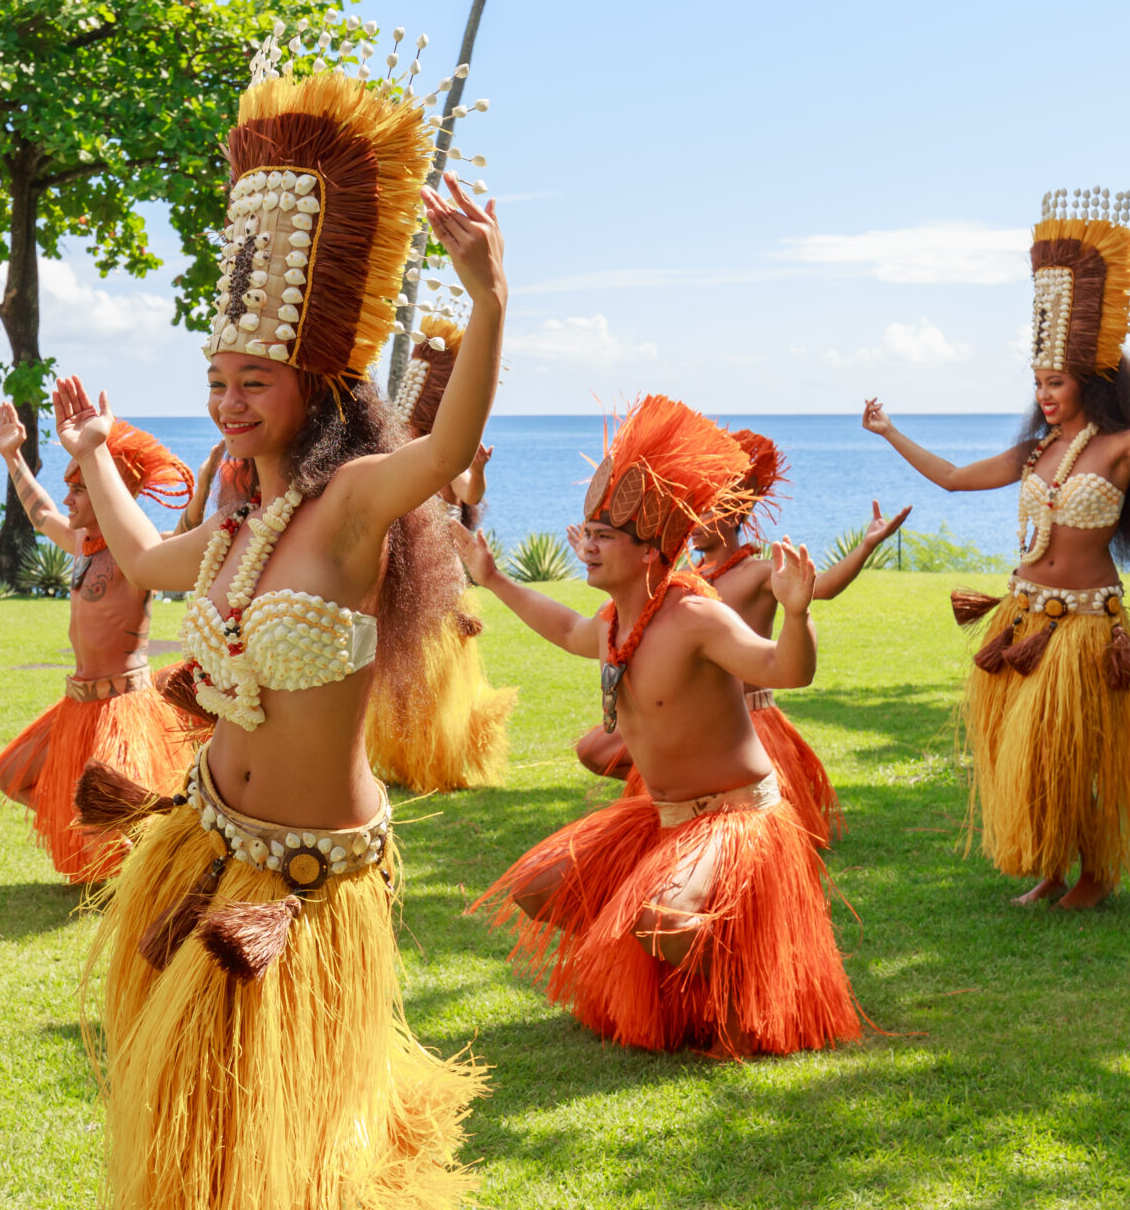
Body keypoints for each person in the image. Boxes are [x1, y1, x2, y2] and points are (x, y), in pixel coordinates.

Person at [61, 40, 498, 1210]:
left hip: (306, 881)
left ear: (312, 385)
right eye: (215, 381)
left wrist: (488, 302)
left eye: (252, 381)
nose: (228, 402)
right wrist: (92, 452)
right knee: (195, 1112)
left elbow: (445, 449)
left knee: (292, 1132)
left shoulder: (353, 506)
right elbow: (139, 558)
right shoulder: (235, 530)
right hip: (204, 840)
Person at [863, 186, 1130, 910]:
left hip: (1086, 625)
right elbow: (956, 478)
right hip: (1023, 617)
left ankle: (1096, 873)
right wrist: (890, 431)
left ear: (1088, 381)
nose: (1044, 394)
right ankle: (1054, 868)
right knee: (1025, 752)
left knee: (1075, 750)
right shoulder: (1035, 452)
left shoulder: (1124, 445)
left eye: (1055, 381)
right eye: (1038, 383)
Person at [462, 394, 860, 1058]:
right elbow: (566, 627)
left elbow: (786, 670)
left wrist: (798, 614)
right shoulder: (616, 622)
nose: (586, 546)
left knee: (665, 920)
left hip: (735, 818)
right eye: (587, 532)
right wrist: (496, 579)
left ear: (649, 551)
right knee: (540, 890)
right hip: (663, 817)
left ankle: (750, 984)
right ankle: (680, 991)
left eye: (603, 536)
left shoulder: (695, 615)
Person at [574, 429, 911, 847]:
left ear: (733, 517)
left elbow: (821, 587)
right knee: (594, 749)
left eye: (706, 514)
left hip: (753, 717)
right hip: (696, 718)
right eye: (692, 515)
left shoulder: (755, 573)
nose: (694, 525)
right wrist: (601, 546)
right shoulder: (687, 581)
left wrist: (866, 546)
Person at [0, 402, 200, 882]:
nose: (67, 498)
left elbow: (188, 535)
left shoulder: (140, 552)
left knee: (109, 819)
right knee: (13, 775)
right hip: (77, 704)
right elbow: (41, 513)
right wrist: (13, 456)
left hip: (123, 707)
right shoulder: (82, 544)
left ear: (109, 490)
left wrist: (206, 483)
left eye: (79, 488)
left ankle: (142, 859)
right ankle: (120, 842)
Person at [365, 311, 516, 793]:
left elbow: (469, 492)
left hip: (443, 578)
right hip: (403, 573)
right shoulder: (402, 450)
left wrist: (480, 467)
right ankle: (404, 757)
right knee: (404, 668)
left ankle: (436, 758)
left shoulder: (445, 454)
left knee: (441, 670)